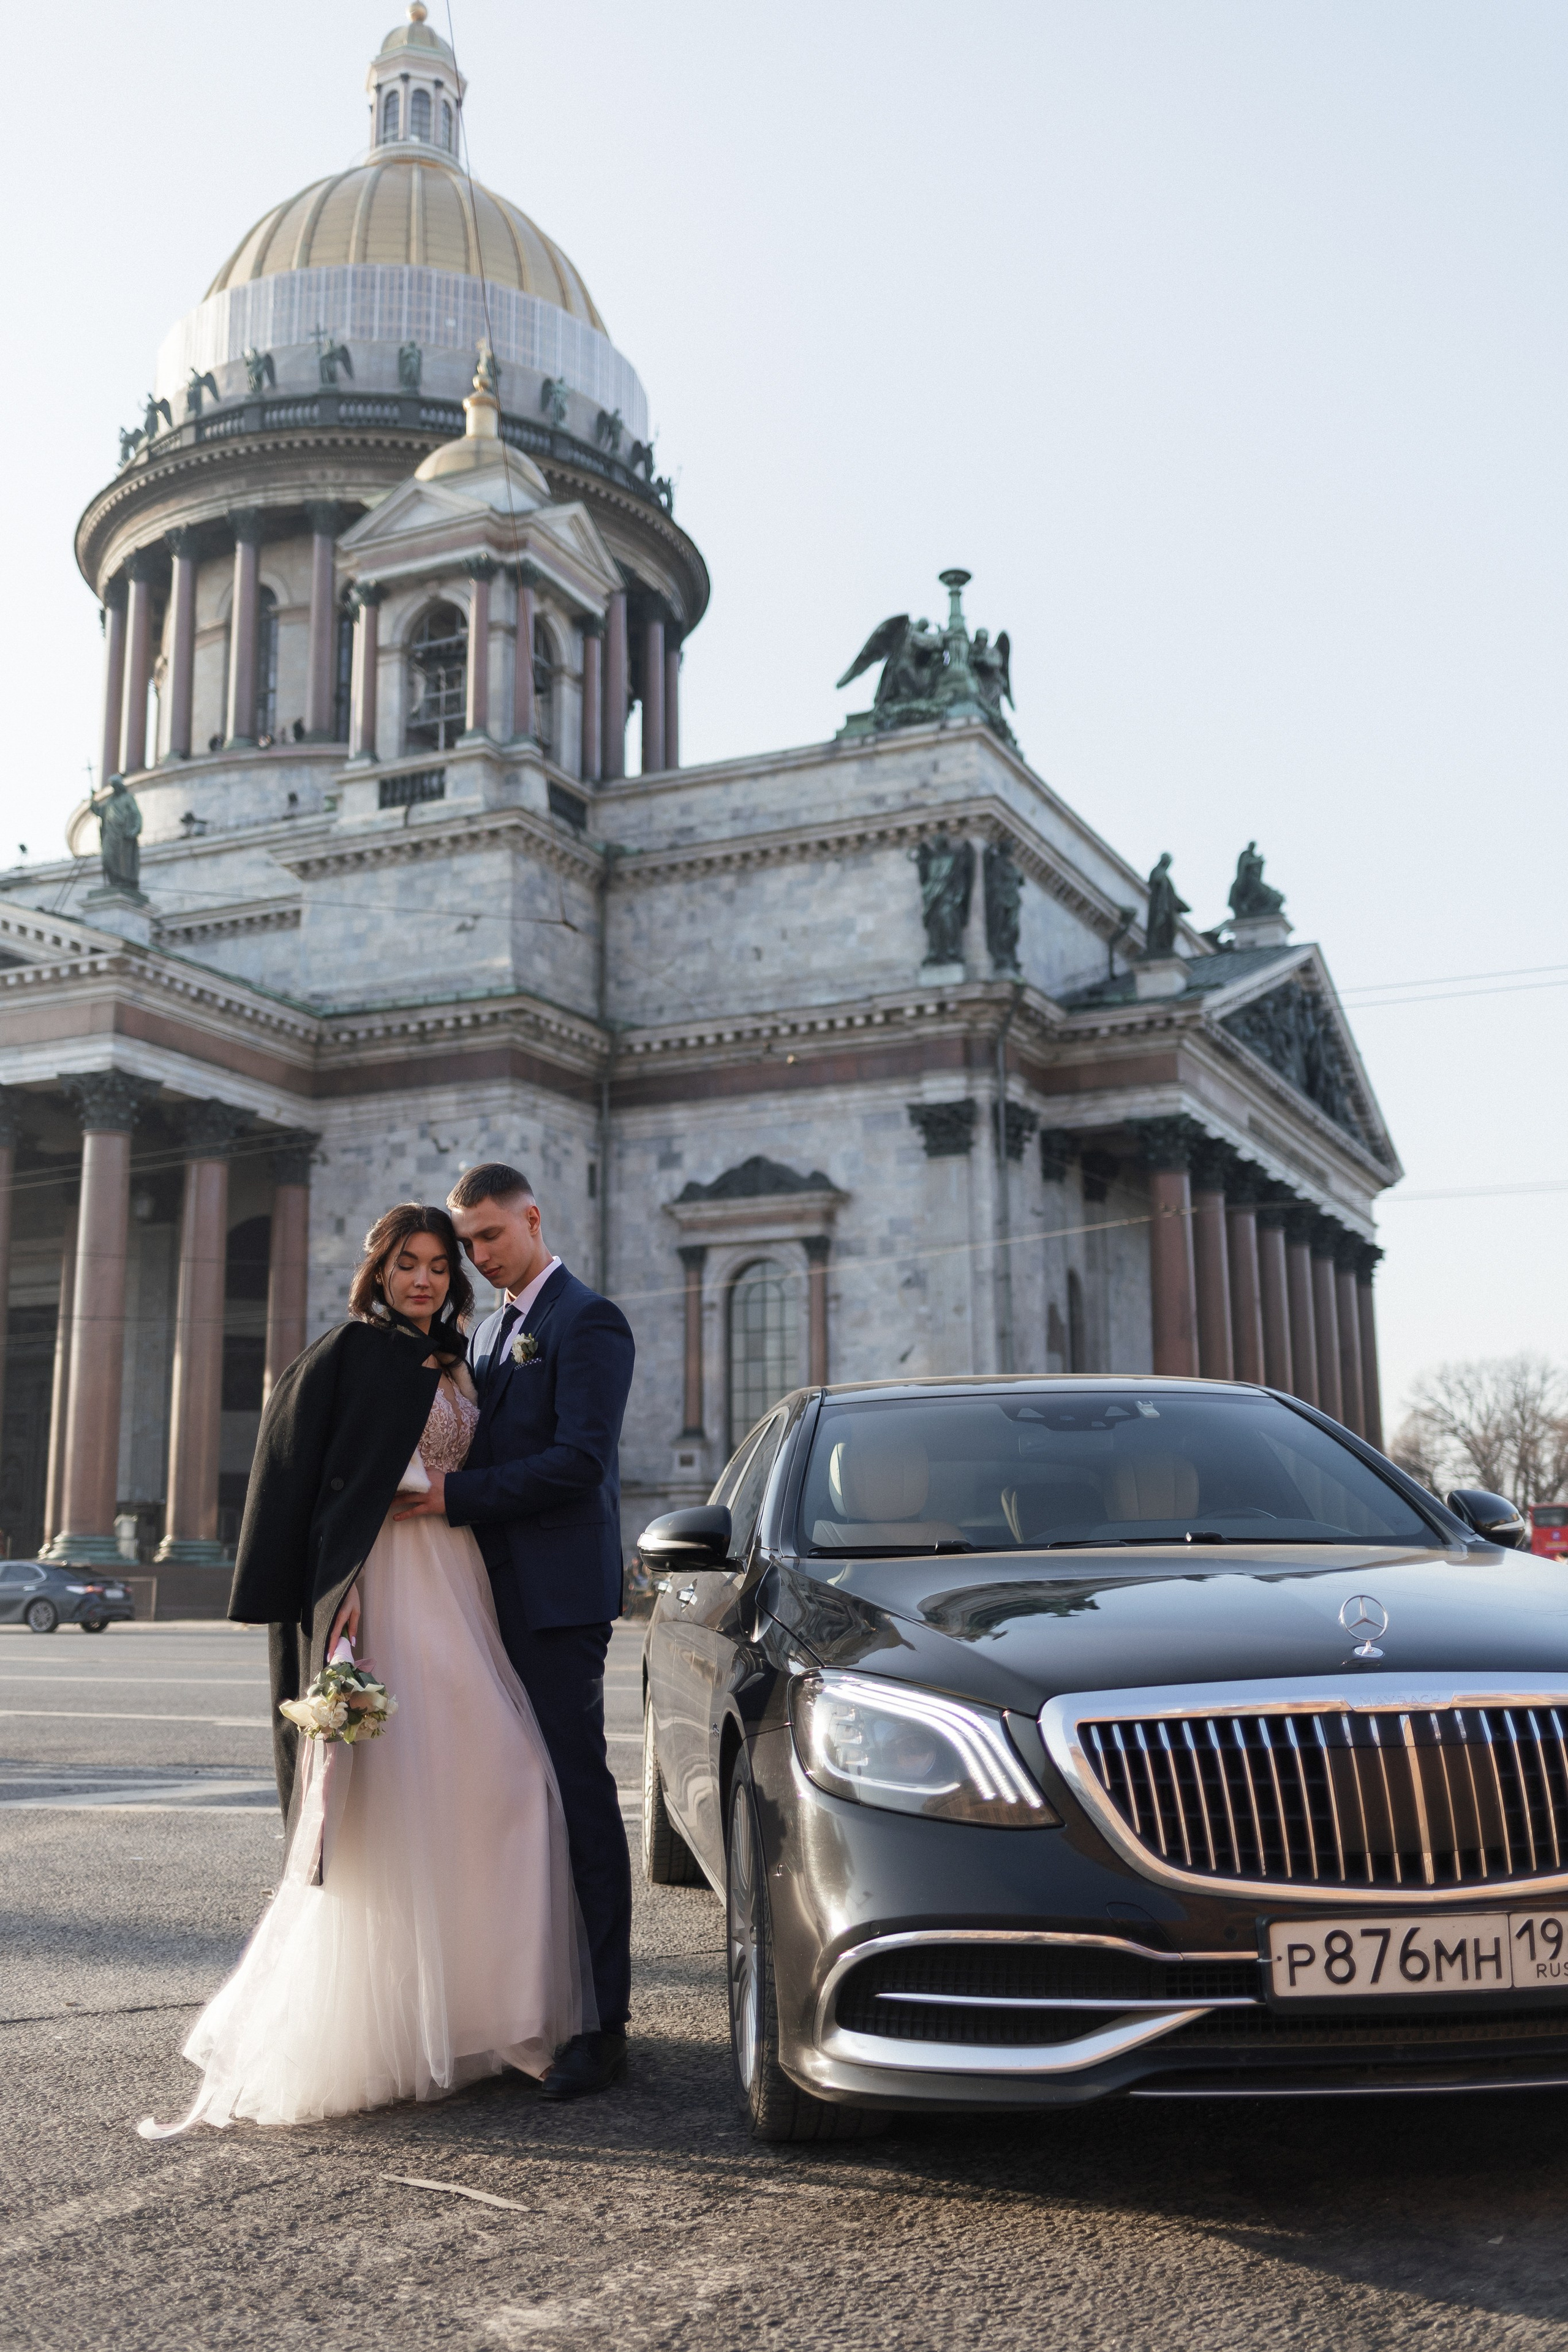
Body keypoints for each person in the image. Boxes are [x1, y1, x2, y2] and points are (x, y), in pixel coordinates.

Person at [138, 1203, 589, 2136]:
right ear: (379, 1272)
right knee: (410, 1804)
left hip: (462, 1591)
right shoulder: (351, 1354)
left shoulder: (460, 1358)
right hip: (387, 1591)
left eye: (437, 1265)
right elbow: (311, 1479)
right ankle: (402, 2032)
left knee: (500, 1787)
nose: (423, 1279)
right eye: (406, 1264)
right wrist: (337, 1591)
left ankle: (486, 2020)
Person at [399, 1163, 635, 2100]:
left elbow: (579, 1462)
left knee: (578, 1796)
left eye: (491, 1236)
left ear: (533, 1218)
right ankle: (533, 2000)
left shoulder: (588, 1319)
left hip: (557, 1599)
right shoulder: (490, 1329)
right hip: (485, 1594)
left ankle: (605, 2024)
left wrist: (455, 1495)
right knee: (512, 1801)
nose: (477, 1256)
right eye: (467, 1243)